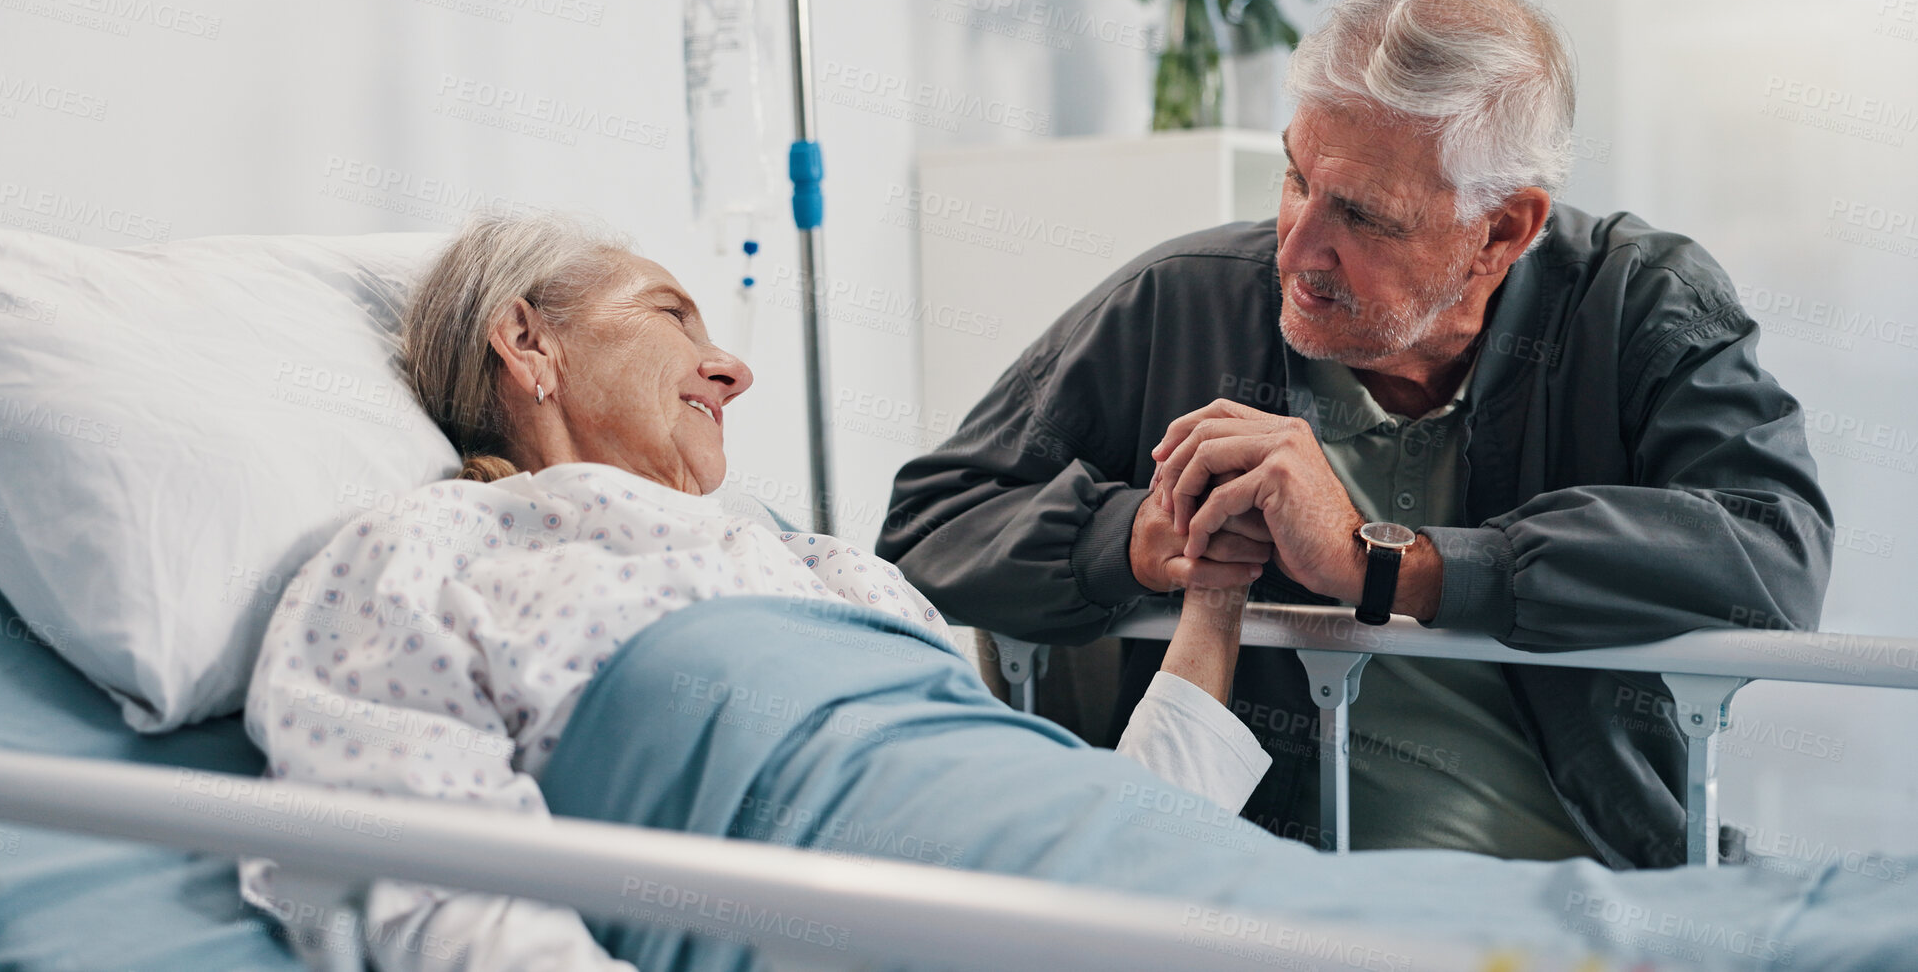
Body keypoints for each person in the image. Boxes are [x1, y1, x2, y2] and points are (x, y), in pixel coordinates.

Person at [877, 0, 1833, 868]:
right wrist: (1138, 536)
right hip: (1279, 896)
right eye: (1294, 178)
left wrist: (1393, 561)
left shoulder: (1635, 307)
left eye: (1362, 216)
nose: (1296, 247)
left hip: (1588, 885)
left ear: (1501, 230)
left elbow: (1773, 554)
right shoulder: (1181, 301)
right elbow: (926, 527)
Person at [240, 210, 1271, 972]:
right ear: (526, 342)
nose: (730, 369)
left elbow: (1085, 823)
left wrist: (1215, 597)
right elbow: (426, 865)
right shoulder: (432, 549)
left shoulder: (817, 563)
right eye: (672, 318)